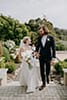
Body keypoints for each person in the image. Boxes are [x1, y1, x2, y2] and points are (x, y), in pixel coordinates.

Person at [35, 25, 56, 91]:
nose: (40, 32)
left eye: (41, 31)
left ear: (44, 30)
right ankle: (43, 83)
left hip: (48, 56)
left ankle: (47, 76)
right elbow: (37, 47)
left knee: (48, 69)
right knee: (41, 70)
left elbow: (53, 48)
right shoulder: (39, 38)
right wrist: (36, 53)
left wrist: (53, 57)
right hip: (41, 56)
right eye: (39, 31)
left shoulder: (51, 37)